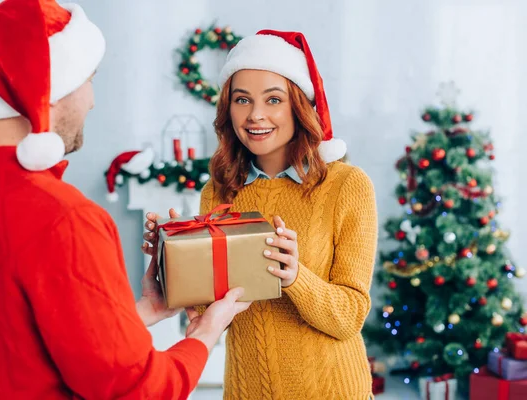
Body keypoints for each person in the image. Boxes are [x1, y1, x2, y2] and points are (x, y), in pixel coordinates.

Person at [0, 1, 249, 399]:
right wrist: (205, 334)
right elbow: (136, 390)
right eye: (88, 80)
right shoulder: (63, 218)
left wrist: (143, 312)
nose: (92, 101)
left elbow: (30, 343)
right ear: (48, 89)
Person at [144, 30, 378, 399]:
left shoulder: (346, 186)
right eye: (242, 100)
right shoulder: (218, 191)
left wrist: (295, 276)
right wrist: (173, 260)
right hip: (246, 390)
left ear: (298, 106)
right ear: (228, 109)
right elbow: (211, 313)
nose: (255, 115)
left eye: (273, 99)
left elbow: (349, 317)